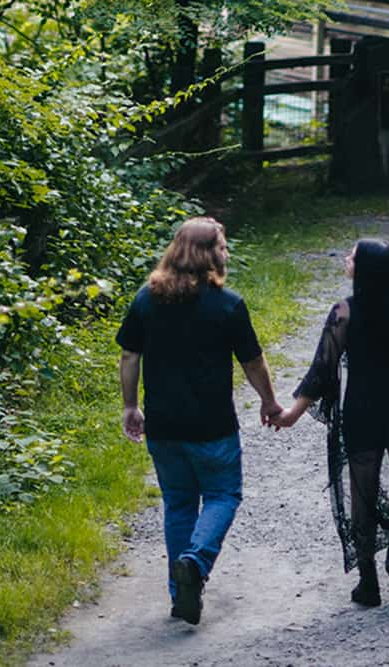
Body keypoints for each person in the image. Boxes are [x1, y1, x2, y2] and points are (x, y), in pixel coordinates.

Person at [116, 216, 282, 626]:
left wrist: (130, 406)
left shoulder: (146, 299)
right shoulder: (227, 305)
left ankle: (180, 595)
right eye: (223, 246)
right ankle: (194, 561)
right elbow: (252, 361)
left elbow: (129, 356)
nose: (227, 253)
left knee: (178, 504)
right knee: (224, 496)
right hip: (212, 427)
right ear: (207, 254)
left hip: (165, 426)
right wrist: (269, 401)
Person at [272, 237, 389, 607]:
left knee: (362, 494)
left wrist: (292, 414)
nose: (346, 259)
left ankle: (368, 582)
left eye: (352, 255)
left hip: (363, 410)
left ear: (365, 267)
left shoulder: (345, 312)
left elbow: (322, 370)